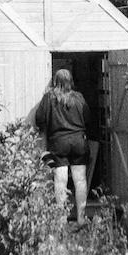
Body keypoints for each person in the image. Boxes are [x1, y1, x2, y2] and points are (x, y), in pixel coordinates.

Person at [35, 68, 91, 227]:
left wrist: (46, 127)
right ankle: (81, 219)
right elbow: (88, 118)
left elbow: (39, 118)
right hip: (79, 142)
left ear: (55, 81)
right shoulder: (79, 98)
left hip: (58, 143)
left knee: (60, 180)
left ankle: (61, 220)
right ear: (70, 81)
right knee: (80, 180)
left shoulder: (49, 98)